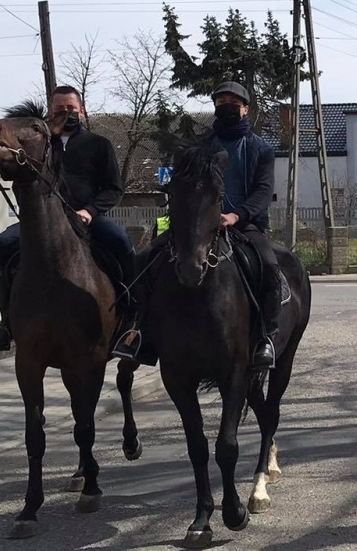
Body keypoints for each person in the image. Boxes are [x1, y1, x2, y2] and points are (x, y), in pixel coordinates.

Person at [118, 81, 282, 372]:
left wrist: (236, 216)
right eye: (221, 101)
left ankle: (265, 338)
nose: (227, 105)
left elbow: (263, 191)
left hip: (244, 226)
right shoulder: (199, 148)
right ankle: (141, 332)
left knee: (268, 266)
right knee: (144, 261)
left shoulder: (261, 149)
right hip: (196, 226)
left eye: (233, 101)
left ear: (245, 109)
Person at [0, 86, 131, 352]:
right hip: (43, 220)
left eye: (71, 109)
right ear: (50, 115)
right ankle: (6, 325)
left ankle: (131, 321)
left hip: (86, 218)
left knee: (120, 240)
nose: (66, 114)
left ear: (82, 110)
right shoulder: (40, 143)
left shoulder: (99, 144)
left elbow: (114, 188)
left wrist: (89, 211)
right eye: (59, 110)